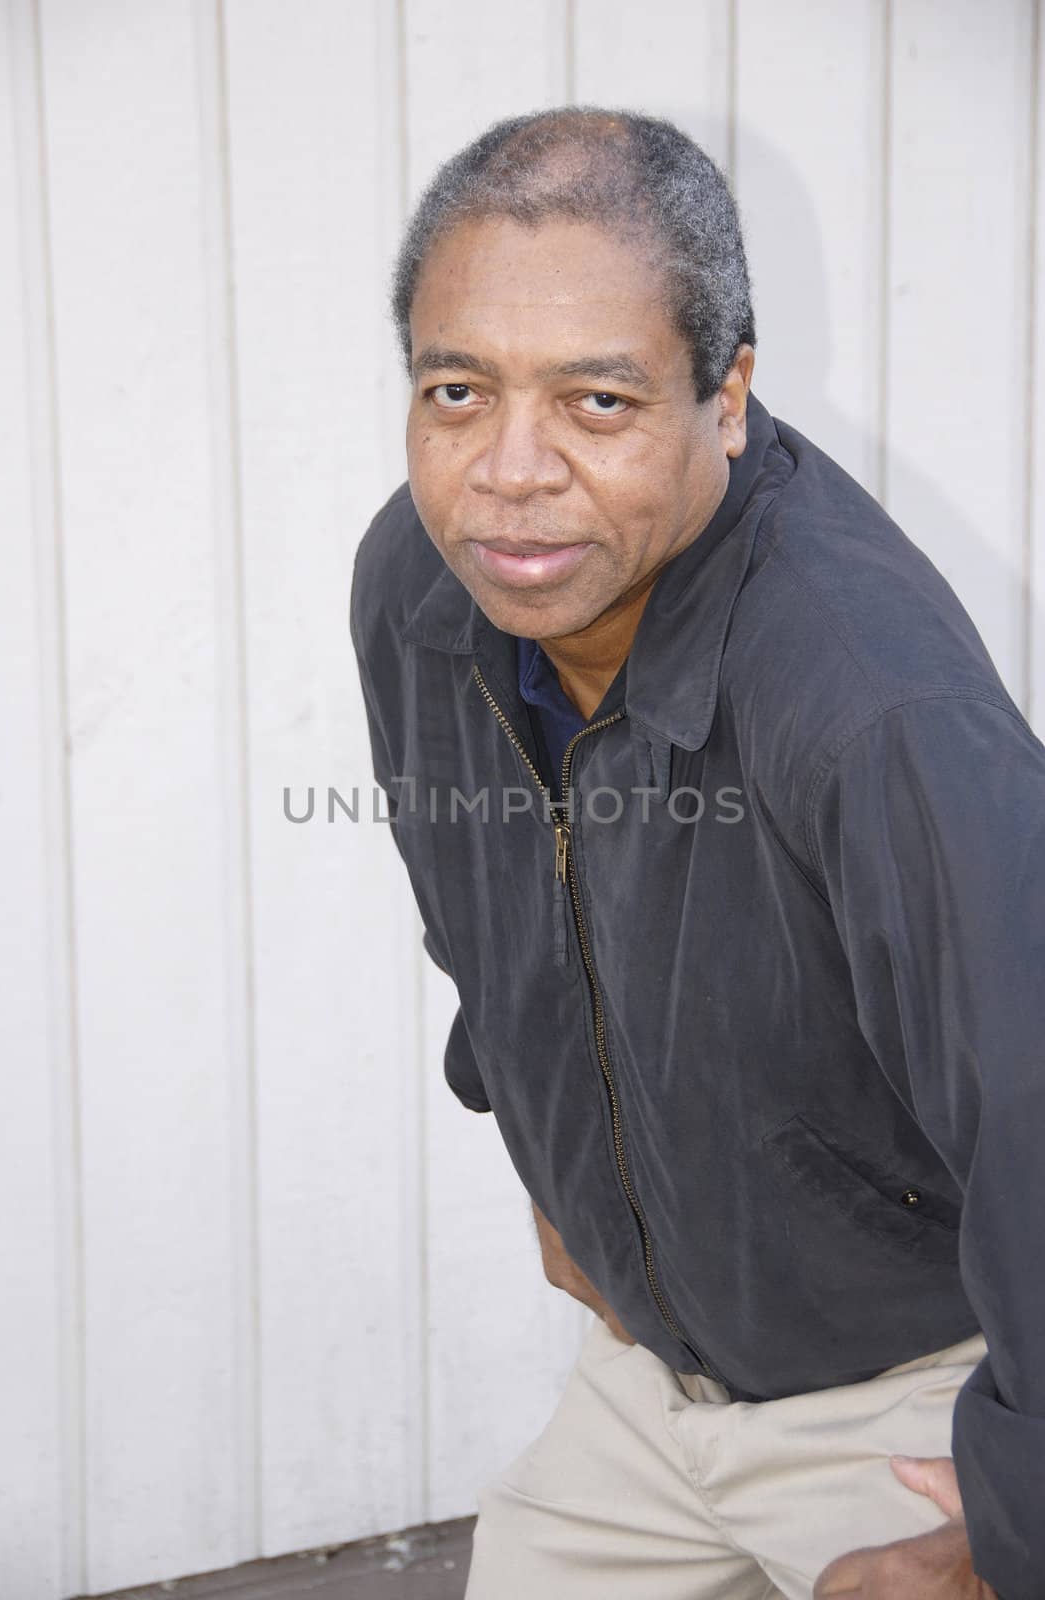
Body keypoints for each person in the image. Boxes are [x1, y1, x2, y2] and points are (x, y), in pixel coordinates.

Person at [350, 106, 1043, 1599]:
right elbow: (475, 909)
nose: (509, 473)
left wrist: (1007, 1530)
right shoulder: (422, 583)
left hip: (913, 1404)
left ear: (727, 398)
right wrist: (553, 1159)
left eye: (597, 403)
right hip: (651, 1387)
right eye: (457, 391)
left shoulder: (871, 704)